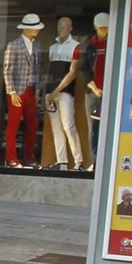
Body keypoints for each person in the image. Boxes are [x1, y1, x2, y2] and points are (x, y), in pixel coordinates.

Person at [44, 16, 86, 170]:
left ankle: (78, 162)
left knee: (69, 125)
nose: (61, 29)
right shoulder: (52, 48)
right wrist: (47, 92)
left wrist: (56, 91)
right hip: (50, 92)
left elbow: (73, 73)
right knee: (56, 127)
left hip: (65, 92)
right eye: (59, 26)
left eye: (64, 26)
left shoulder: (76, 46)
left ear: (70, 28)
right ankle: (61, 162)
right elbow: (49, 71)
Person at [3, 13, 45, 168]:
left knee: (32, 124)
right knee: (13, 125)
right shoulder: (13, 45)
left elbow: (38, 69)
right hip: (18, 90)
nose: (37, 31)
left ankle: (29, 157)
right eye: (34, 28)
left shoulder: (37, 45)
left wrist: (38, 90)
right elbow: (7, 70)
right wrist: (11, 91)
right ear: (27, 28)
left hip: (31, 89)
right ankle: (11, 158)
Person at [79, 13, 110, 157]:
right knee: (93, 127)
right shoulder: (89, 45)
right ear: (96, 27)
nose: (104, 31)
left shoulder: (114, 43)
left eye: (106, 28)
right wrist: (93, 87)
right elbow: (83, 68)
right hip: (92, 92)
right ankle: (95, 160)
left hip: (110, 92)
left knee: (109, 126)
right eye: (101, 28)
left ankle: (107, 159)